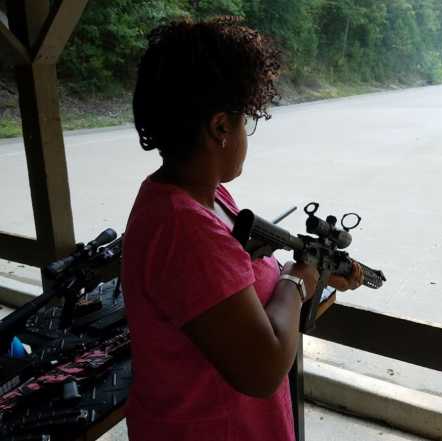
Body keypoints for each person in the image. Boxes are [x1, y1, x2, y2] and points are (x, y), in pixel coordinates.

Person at [121, 17, 363, 441]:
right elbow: (263, 369)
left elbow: (238, 295)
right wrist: (298, 280)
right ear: (219, 128)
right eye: (244, 121)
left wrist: (317, 276)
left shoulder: (207, 198)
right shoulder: (185, 228)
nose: (247, 135)